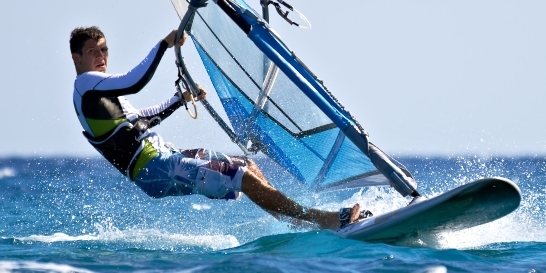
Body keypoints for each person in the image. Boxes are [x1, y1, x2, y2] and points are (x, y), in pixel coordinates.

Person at [70, 26, 369, 230]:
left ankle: (296, 220)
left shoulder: (99, 91)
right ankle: (324, 220)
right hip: (154, 167)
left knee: (246, 167)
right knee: (241, 178)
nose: (101, 57)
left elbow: (140, 120)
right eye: (93, 52)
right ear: (77, 58)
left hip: (162, 160)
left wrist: (179, 99)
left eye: (104, 50)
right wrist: (164, 44)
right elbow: (135, 81)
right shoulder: (86, 85)